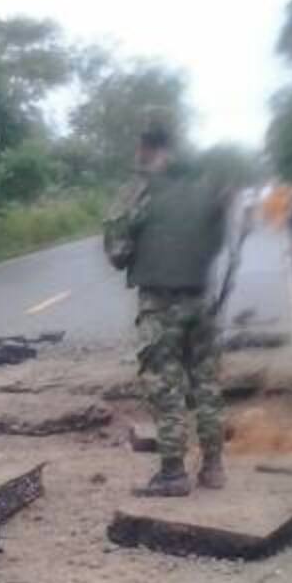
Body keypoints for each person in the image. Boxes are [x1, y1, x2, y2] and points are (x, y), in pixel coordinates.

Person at [103, 110, 229, 497]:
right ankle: (213, 467)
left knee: (165, 387)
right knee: (206, 383)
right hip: (202, 300)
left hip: (161, 304)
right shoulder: (207, 185)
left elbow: (118, 252)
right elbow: (215, 242)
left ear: (145, 147)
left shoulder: (138, 191)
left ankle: (173, 474)